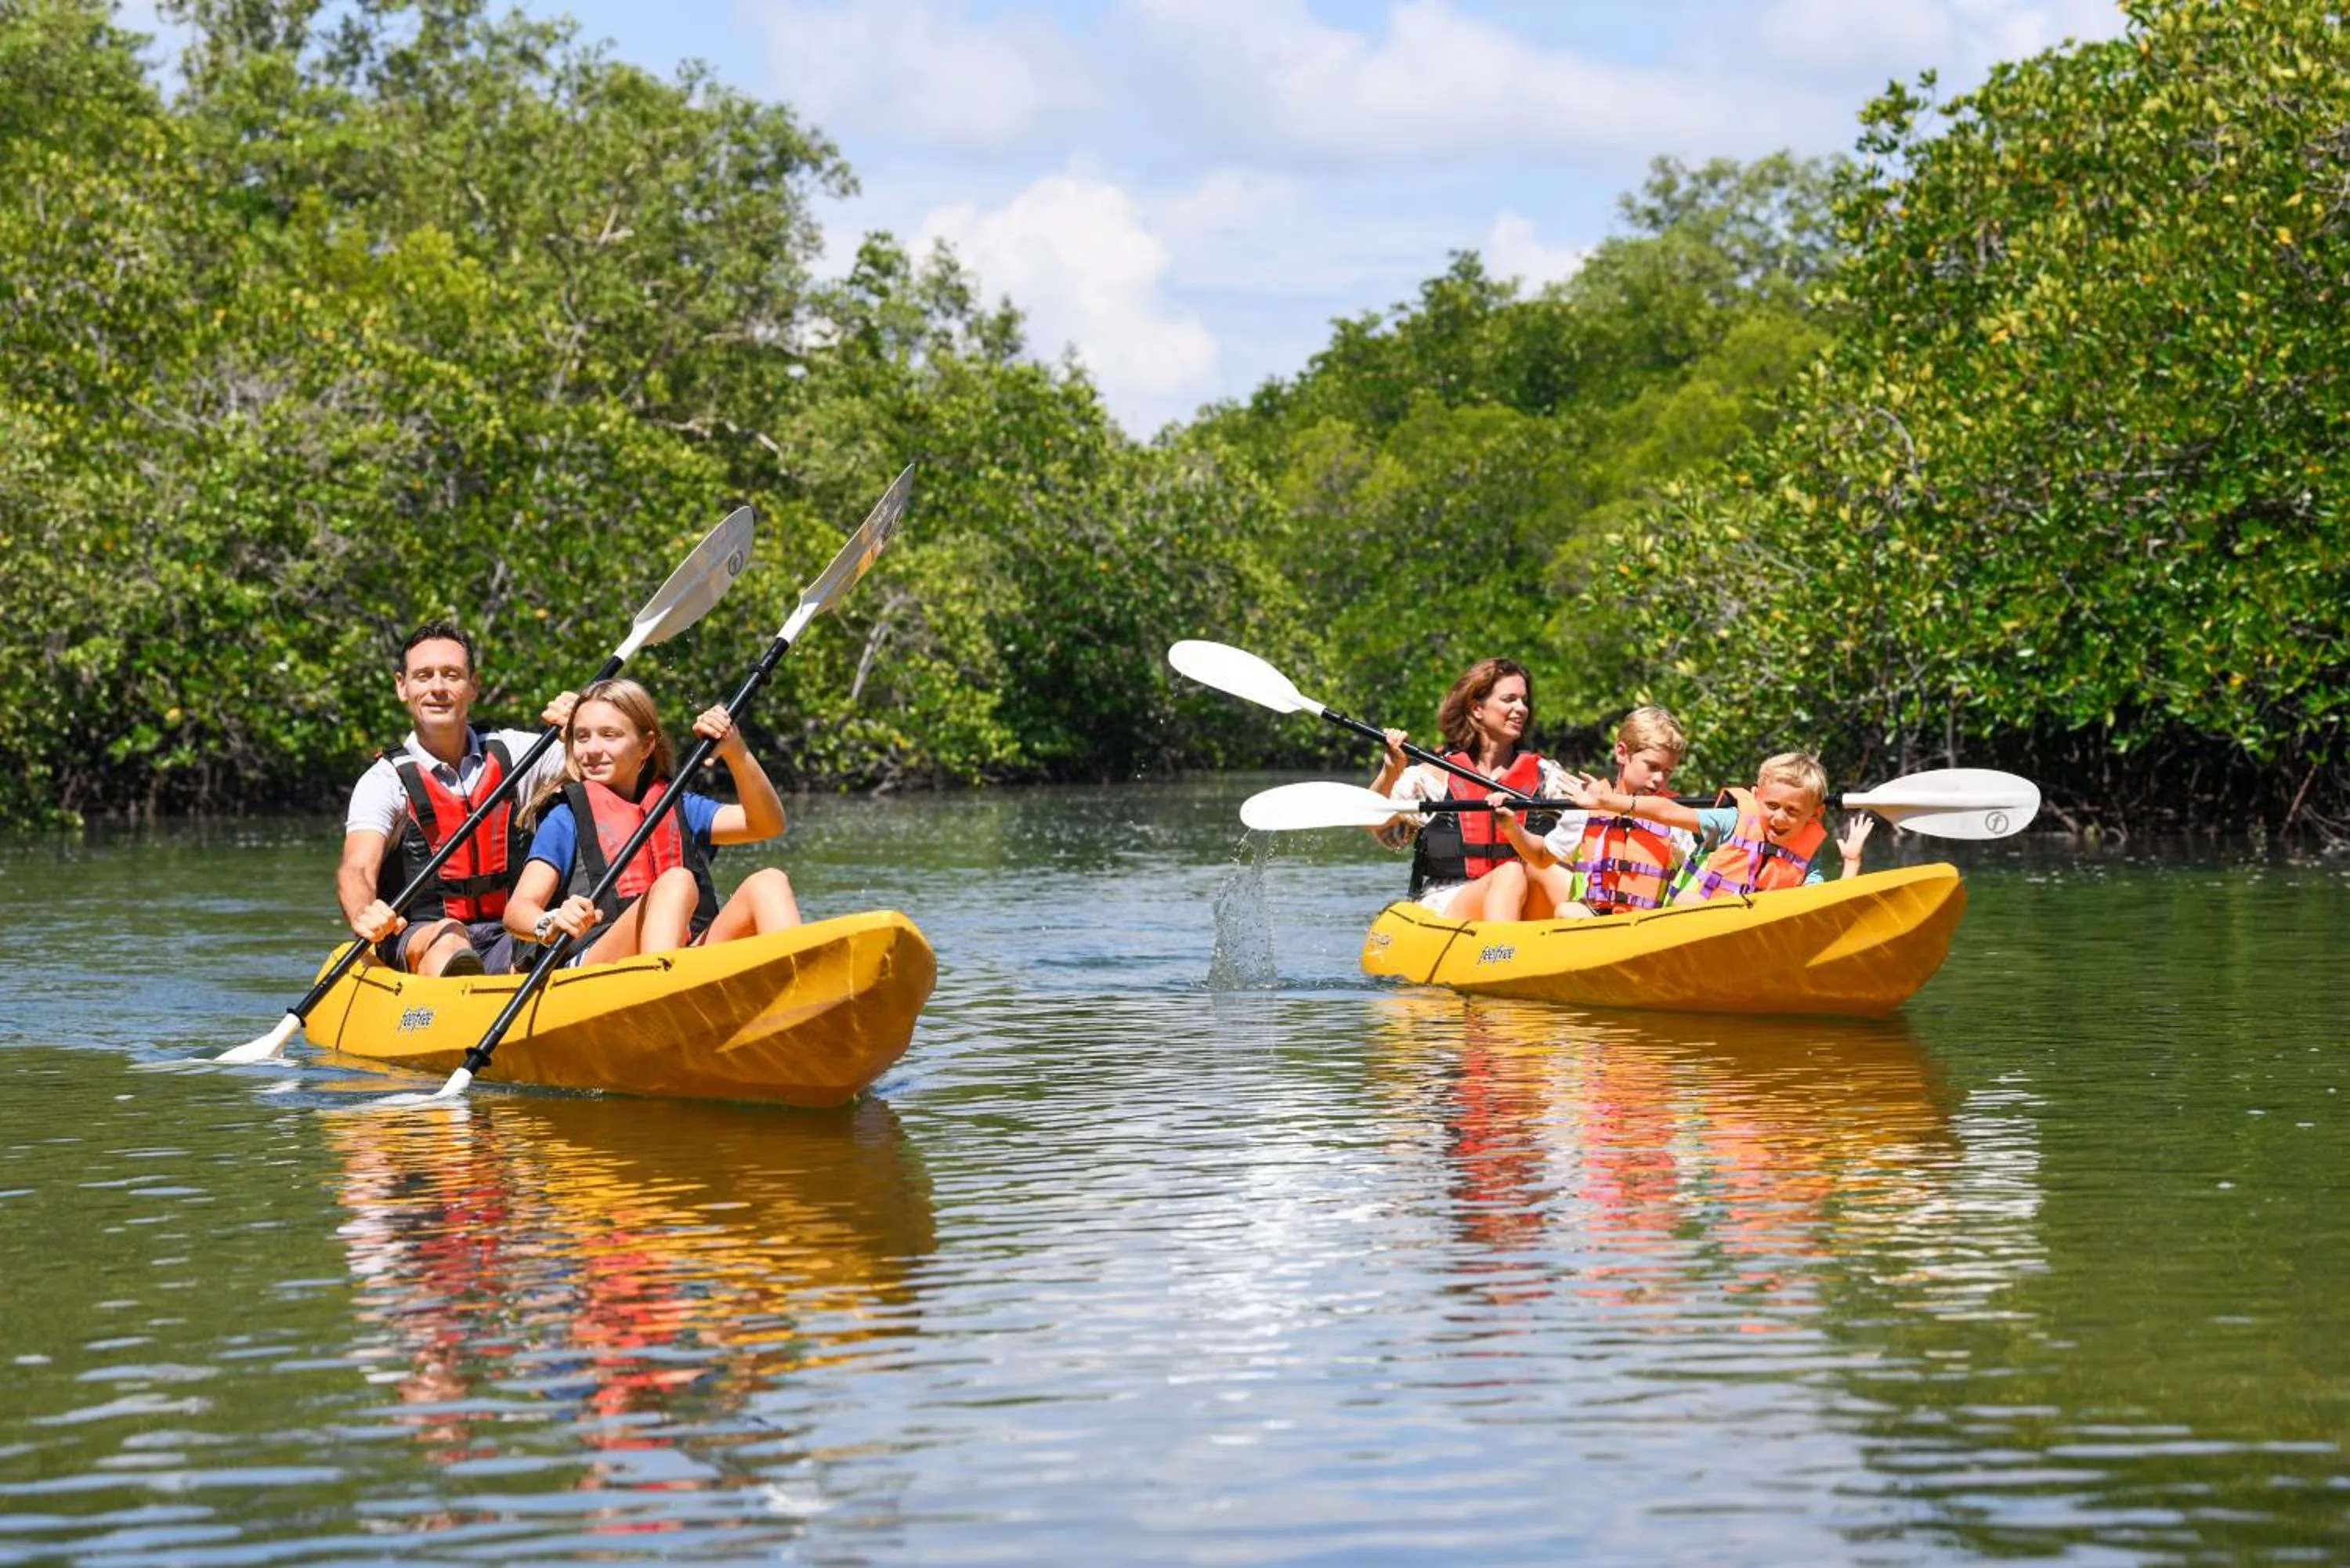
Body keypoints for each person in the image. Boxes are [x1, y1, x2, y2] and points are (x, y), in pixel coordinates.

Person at [501, 677, 801, 966]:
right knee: (677, 882)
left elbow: (766, 824)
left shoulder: (678, 805)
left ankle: (800, 982)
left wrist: (735, 750)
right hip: (598, 960)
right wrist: (550, 921)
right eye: (582, 737)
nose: (592, 749)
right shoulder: (565, 817)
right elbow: (517, 910)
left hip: (682, 956)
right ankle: (660, 986)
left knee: (769, 883)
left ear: (646, 745)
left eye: (609, 735)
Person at [338, 622, 579, 977]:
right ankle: (458, 989)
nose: (437, 687)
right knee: (450, 936)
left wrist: (582, 726)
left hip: (513, 931)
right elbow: (357, 867)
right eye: (423, 676)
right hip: (422, 936)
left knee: (545, 937)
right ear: (402, 687)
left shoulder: (519, 753)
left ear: (473, 686)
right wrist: (364, 911)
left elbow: (604, 768)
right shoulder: (384, 782)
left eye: (451, 675)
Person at [1368, 657, 1578, 922]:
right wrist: (1390, 772)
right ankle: (1500, 946)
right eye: (1509, 699)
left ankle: (1600, 933)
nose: (1521, 708)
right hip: (1450, 899)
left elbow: (1593, 818)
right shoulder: (1435, 776)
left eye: (1524, 701)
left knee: (1547, 870)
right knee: (1510, 873)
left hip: (1524, 896)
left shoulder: (1546, 776)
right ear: (1477, 709)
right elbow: (1379, 826)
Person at [1535, 750, 1872, 905]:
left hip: (1749, 933)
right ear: (1756, 796)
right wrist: (1610, 802)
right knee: (1690, 901)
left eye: (1792, 811)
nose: (1780, 818)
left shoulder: (1806, 853)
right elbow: (1668, 811)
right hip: (1693, 918)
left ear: (1814, 814)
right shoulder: (1731, 821)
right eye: (1772, 806)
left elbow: (1824, 904)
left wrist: (1851, 863)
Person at [1494, 705, 1697, 918]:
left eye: (1667, 772)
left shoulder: (1671, 816)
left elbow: (1696, 873)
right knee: (1568, 911)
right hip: (1595, 923)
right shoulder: (1587, 809)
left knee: (1691, 899)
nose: (1659, 779)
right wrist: (1512, 827)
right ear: (1622, 753)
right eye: (1652, 767)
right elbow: (1541, 856)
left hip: (1649, 924)